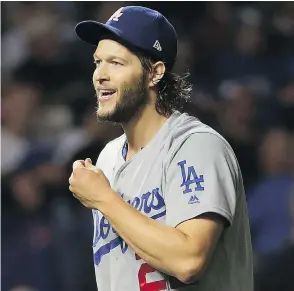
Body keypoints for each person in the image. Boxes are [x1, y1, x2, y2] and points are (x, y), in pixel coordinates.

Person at [69, 5, 253, 291]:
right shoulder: (107, 160)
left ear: (155, 73)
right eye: (97, 62)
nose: (100, 75)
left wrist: (103, 198)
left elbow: (189, 261)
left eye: (116, 63)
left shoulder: (196, 146)